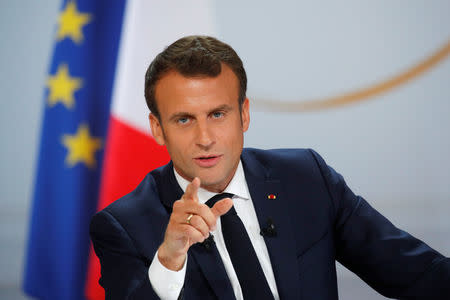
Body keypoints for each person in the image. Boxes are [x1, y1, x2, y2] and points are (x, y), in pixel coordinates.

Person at [90, 35, 450, 300]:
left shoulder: (307, 178)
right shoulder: (124, 226)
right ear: (157, 128)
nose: (205, 137)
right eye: (184, 119)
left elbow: (416, 272)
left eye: (218, 114)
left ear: (244, 114)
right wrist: (169, 260)